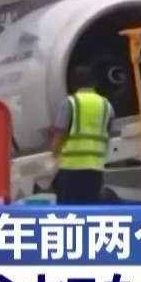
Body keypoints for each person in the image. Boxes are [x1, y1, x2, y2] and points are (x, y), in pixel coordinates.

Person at [48, 66, 112, 204]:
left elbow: (60, 133)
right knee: (89, 208)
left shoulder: (70, 103)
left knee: (68, 210)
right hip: (95, 169)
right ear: (94, 83)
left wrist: (52, 158)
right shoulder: (106, 105)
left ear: (73, 85)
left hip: (71, 169)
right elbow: (107, 134)